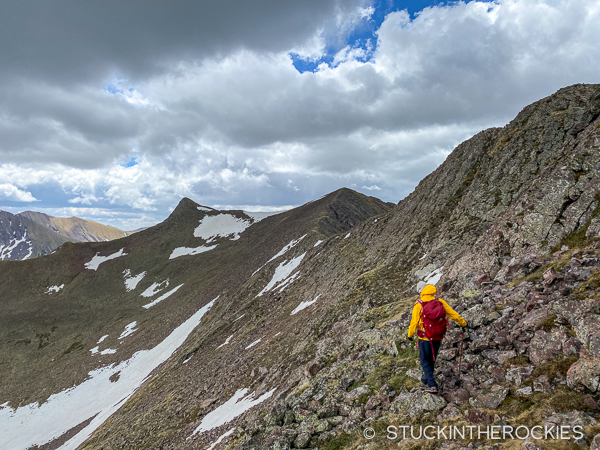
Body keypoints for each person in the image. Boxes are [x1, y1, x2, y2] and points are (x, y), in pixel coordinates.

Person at [407, 284, 467, 394]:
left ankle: (432, 385)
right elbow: (452, 314)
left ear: (421, 292)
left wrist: (410, 335)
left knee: (425, 360)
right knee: (432, 359)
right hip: (437, 336)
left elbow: (414, 322)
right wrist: (463, 323)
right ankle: (425, 379)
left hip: (424, 338)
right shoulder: (440, 302)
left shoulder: (419, 304)